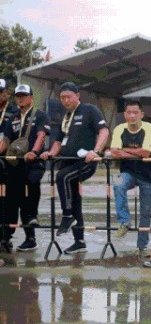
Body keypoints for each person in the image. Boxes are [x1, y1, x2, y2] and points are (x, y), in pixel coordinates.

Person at [40, 82, 109, 254]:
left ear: (78, 95)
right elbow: (57, 140)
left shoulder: (89, 110)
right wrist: (50, 153)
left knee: (62, 177)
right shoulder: (64, 114)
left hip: (85, 162)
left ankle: (66, 215)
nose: (65, 100)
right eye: (62, 97)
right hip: (67, 161)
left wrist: (96, 151)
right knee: (74, 199)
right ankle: (79, 241)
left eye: (68, 97)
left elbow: (104, 131)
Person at [0, 84, 50, 252]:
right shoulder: (13, 117)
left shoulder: (40, 115)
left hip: (33, 162)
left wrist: (34, 152)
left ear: (31, 97)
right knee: (11, 200)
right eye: (18, 96)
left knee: (32, 181)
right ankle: (6, 237)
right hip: (15, 164)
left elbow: (41, 135)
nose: (20, 98)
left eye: (24, 95)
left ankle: (31, 225)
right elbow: (6, 141)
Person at [109, 100, 151, 258]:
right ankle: (124, 221)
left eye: (135, 113)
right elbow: (113, 152)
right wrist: (134, 152)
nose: (132, 116)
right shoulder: (119, 129)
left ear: (141, 114)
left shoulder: (149, 128)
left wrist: (124, 151)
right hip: (128, 172)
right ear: (125, 114)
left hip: (148, 175)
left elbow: (146, 153)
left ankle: (142, 246)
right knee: (117, 183)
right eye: (129, 113)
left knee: (145, 211)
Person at [0, 79, 20, 253]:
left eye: (1, 92)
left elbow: (8, 139)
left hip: (9, 162)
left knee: (9, 201)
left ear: (7, 93)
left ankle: (6, 236)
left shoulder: (14, 112)